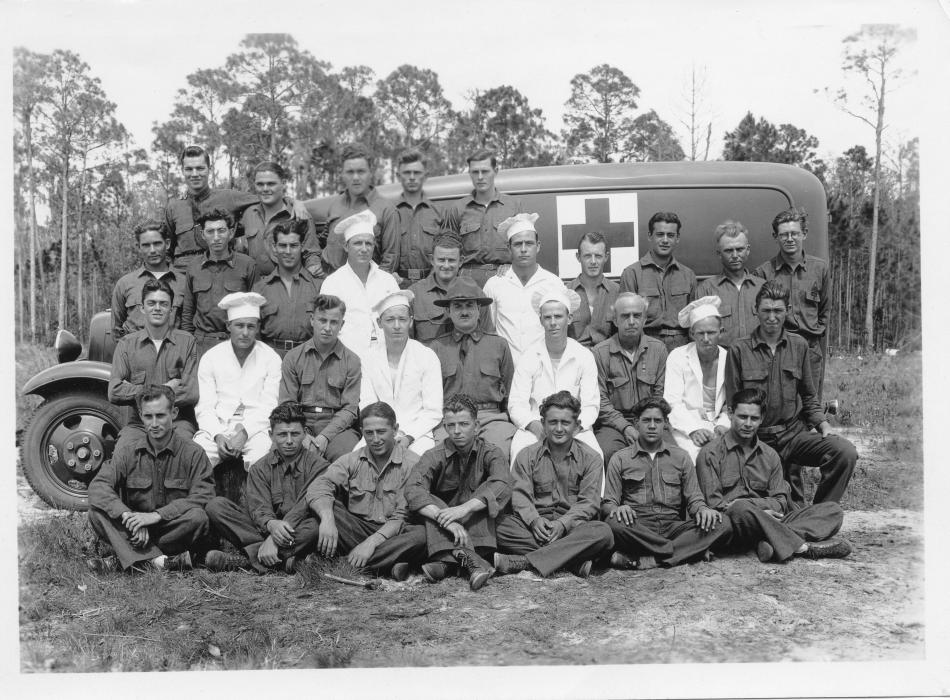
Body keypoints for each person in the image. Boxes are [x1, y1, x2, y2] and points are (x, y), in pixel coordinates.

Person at [725, 281, 857, 505]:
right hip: (758, 440)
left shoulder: (799, 346)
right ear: (755, 311)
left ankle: (821, 513)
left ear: (787, 311)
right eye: (766, 310)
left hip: (793, 436)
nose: (772, 317)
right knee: (779, 508)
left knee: (844, 452)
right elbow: (733, 404)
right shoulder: (739, 349)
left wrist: (823, 425)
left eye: (778, 311)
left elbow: (808, 395)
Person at [696, 389, 852, 563]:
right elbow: (715, 505)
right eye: (742, 417)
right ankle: (802, 547)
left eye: (754, 418)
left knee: (833, 511)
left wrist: (760, 512)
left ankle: (767, 540)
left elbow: (780, 500)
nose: (748, 424)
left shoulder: (770, 455)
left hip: (770, 518)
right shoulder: (710, 453)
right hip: (732, 525)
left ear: (761, 419)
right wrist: (754, 510)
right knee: (739, 508)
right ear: (731, 414)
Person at [87, 385, 213, 573]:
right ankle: (161, 562)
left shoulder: (193, 453)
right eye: (148, 416)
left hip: (171, 528)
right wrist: (127, 516)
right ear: (141, 415)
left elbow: (203, 496)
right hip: (134, 529)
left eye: (160, 416)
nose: (154, 423)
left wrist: (156, 516)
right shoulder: (128, 453)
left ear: (174, 413)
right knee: (96, 512)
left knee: (198, 517)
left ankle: (129, 557)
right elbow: (98, 486)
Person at [300, 402, 428, 580]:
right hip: (357, 529)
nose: (375, 439)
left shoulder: (413, 463)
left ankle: (344, 562)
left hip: (394, 533)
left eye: (381, 431)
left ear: (395, 429)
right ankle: (386, 564)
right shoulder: (352, 459)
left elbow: (402, 516)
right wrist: (328, 519)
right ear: (361, 431)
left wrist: (371, 543)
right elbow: (320, 485)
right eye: (369, 433)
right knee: (324, 509)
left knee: (421, 536)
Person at [494, 391, 614, 579]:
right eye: (552, 422)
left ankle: (525, 561)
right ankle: (572, 561)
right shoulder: (526, 455)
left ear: (577, 426)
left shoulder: (591, 458)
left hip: (573, 527)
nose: (559, 428)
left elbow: (588, 503)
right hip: (535, 528)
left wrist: (562, 524)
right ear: (543, 424)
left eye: (565, 423)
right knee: (498, 524)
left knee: (603, 532)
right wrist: (534, 521)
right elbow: (520, 496)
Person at [602, 397, 731, 569]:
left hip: (673, 527)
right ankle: (687, 551)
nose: (652, 426)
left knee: (722, 522)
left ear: (666, 424)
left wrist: (702, 509)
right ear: (636, 423)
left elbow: (694, 499)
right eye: (646, 420)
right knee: (613, 524)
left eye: (658, 421)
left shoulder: (682, 456)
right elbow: (608, 503)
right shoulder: (620, 458)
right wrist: (617, 509)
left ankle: (652, 559)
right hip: (638, 527)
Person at [203, 402, 331, 573]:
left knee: (316, 525)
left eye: (295, 434)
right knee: (216, 506)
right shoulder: (260, 467)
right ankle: (284, 559)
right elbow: (259, 509)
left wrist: (274, 540)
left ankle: (247, 560)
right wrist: (271, 526)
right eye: (282, 435)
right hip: (264, 531)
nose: (289, 441)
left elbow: (304, 507)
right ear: (271, 435)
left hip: (299, 529)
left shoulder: (319, 466)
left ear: (305, 433)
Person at [404, 394, 511, 591]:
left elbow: (502, 484)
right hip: (444, 526)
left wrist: (464, 509)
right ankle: (472, 562)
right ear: (444, 427)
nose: (457, 431)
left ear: (476, 426)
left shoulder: (492, 453)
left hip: (477, 521)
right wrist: (445, 518)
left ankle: (447, 564)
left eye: (463, 424)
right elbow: (413, 489)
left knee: (486, 492)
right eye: (451, 425)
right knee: (430, 500)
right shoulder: (433, 455)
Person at [509, 288, 603, 466]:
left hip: (574, 427)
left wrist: (574, 427)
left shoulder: (584, 356)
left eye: (558, 316)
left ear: (569, 319)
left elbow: (591, 404)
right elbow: (516, 404)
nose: (553, 322)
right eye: (547, 317)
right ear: (540, 320)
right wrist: (535, 426)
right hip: (536, 426)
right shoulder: (528, 356)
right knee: (519, 453)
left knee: (595, 455)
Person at [193, 292, 282, 470]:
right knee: (197, 455)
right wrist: (218, 435)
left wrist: (245, 433)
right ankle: (201, 498)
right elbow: (205, 407)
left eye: (251, 326)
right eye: (239, 326)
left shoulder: (270, 358)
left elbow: (270, 406)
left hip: (256, 428)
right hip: (217, 427)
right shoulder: (211, 357)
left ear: (258, 327)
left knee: (262, 455)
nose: (245, 333)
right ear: (228, 326)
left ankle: (257, 498)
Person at [108, 278, 198, 451]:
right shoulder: (127, 344)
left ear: (171, 309)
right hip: (139, 424)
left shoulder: (187, 342)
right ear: (142, 308)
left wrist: (139, 392)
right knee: (122, 452)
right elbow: (114, 391)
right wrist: (164, 389)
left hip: (176, 422)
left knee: (185, 451)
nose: (157, 308)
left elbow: (191, 392)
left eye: (163, 304)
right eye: (152, 303)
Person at [430, 277, 516, 457]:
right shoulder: (437, 348)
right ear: (448, 311)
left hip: (490, 418)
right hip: (451, 419)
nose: (464, 312)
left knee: (496, 454)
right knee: (442, 457)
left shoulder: (498, 345)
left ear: (479, 309)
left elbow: (510, 392)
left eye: (469, 306)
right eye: (458, 307)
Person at [753, 208, 831, 399]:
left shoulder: (819, 268)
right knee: (779, 401)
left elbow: (826, 309)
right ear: (775, 237)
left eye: (794, 233)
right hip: (778, 349)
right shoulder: (764, 273)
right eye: (784, 234)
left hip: (810, 349)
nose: (790, 239)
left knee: (811, 403)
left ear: (804, 234)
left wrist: (815, 332)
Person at [278, 294, 362, 462]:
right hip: (301, 423)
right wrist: (303, 434)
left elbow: (349, 409)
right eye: (322, 320)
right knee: (283, 452)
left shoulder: (352, 361)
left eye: (334, 322)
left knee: (346, 457)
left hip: (338, 427)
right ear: (312, 320)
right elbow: (287, 404)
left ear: (342, 324)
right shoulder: (293, 357)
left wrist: (325, 437)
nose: (327, 328)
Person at [358, 291, 443, 457]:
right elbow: (367, 403)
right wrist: (384, 433)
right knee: (358, 461)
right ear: (379, 322)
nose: (397, 325)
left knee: (420, 463)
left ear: (411, 322)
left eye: (402, 319)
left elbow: (433, 410)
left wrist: (408, 436)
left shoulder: (426, 356)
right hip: (378, 432)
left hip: (418, 434)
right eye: (390, 320)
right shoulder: (368, 358)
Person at [592, 293, 668, 465]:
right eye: (625, 316)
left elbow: (659, 394)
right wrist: (625, 426)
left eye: (637, 315)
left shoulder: (658, 350)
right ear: (615, 320)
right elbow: (601, 401)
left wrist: (647, 424)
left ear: (645, 319)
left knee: (670, 453)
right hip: (613, 423)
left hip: (651, 419)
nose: (632, 321)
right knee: (607, 452)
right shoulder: (600, 353)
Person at [163, 144, 263, 272]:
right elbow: (166, 248)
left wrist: (293, 204)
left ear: (209, 169)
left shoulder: (229, 197)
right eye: (189, 169)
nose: (195, 174)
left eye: (200, 168)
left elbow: (266, 200)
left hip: (221, 269)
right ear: (182, 170)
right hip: (183, 273)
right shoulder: (174, 206)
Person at [483, 212, 569, 358]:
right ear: (509, 248)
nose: (523, 249)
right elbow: (487, 329)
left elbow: (561, 331)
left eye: (529, 243)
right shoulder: (494, 284)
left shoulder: (554, 284)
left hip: (543, 370)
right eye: (517, 244)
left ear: (538, 246)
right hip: (506, 371)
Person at [320, 210, 400, 358]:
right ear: (346, 246)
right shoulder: (332, 284)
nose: (364, 249)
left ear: (374, 246)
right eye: (357, 243)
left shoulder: (388, 281)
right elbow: (326, 327)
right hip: (347, 360)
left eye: (368, 243)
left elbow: (398, 319)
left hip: (385, 358)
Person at [180, 208, 259, 358]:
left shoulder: (247, 265)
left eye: (221, 230)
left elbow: (257, 311)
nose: (216, 237)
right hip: (202, 345)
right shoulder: (194, 267)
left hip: (237, 344)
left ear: (231, 232)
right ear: (203, 235)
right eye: (210, 232)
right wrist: (189, 348)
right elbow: (188, 313)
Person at [314, 142, 399, 276]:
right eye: (350, 172)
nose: (355, 178)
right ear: (342, 174)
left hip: (364, 286)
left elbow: (390, 258)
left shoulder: (386, 209)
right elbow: (323, 240)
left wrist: (375, 287)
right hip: (328, 284)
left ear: (370, 173)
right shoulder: (335, 203)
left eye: (361, 171)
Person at [618, 211, 697, 352]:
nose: (665, 240)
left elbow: (694, 321)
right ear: (650, 236)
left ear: (677, 238)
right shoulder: (632, 273)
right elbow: (625, 320)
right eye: (660, 234)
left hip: (682, 346)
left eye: (671, 235)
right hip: (645, 345)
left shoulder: (688, 275)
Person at [664, 296, 731, 461]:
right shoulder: (678, 356)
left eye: (711, 332)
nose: (706, 338)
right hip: (685, 425)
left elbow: (732, 403)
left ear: (721, 332)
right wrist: (693, 429)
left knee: (729, 457)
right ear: (691, 333)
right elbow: (672, 402)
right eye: (700, 333)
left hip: (719, 426)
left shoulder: (730, 358)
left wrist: (723, 425)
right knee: (695, 457)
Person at [444, 149, 524, 286]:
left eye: (485, 171)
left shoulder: (513, 206)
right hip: (467, 280)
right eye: (475, 172)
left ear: (496, 171)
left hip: (505, 278)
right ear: (469, 173)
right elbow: (447, 249)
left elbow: (523, 244)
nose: (480, 177)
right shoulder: (458, 209)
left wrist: (513, 266)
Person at [237, 160, 321, 278]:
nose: (265, 189)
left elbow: (311, 254)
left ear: (283, 183)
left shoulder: (299, 214)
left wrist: (313, 268)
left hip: (288, 285)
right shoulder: (248, 213)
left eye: (271, 184)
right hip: (255, 285)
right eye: (260, 184)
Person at [252, 221, 323, 358]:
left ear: (302, 247)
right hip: (271, 359)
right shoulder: (260, 289)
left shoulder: (318, 286)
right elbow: (255, 333)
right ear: (274, 248)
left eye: (294, 245)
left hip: (309, 358)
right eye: (283, 246)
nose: (288, 251)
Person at [408, 232, 493, 345]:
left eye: (452, 260)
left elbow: (488, 338)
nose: (446, 265)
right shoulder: (415, 294)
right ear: (432, 260)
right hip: (427, 360)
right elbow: (408, 341)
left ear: (461, 261)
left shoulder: (476, 294)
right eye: (441, 260)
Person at [111, 219, 187, 339]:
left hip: (173, 353)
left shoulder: (184, 283)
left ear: (167, 244)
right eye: (146, 245)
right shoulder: (125, 284)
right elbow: (117, 330)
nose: (152, 250)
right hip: (135, 354)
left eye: (157, 244)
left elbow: (189, 327)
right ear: (138, 247)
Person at [696, 220, 763, 348]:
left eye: (740, 249)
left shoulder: (762, 287)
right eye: (728, 250)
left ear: (748, 250)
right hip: (722, 362)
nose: (735, 255)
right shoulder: (706, 290)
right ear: (719, 254)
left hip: (758, 360)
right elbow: (699, 334)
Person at [392, 148, 444, 287]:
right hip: (396, 284)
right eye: (407, 172)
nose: (412, 177)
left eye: (417, 173)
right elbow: (377, 249)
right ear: (398, 176)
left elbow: (445, 249)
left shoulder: (437, 213)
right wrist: (389, 274)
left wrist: (432, 279)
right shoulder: (388, 212)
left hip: (432, 283)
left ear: (425, 176)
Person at [569, 230, 619, 348]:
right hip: (575, 360)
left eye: (598, 256)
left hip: (608, 361)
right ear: (578, 257)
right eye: (587, 256)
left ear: (606, 257)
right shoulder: (565, 292)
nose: (593, 262)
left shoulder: (617, 292)